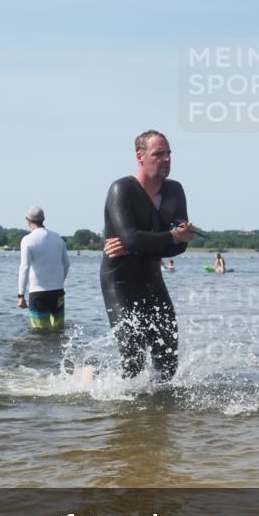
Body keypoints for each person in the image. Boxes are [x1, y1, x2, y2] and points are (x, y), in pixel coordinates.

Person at [101, 129, 195, 380]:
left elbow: (179, 247)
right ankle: (91, 375)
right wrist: (170, 236)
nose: (166, 159)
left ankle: (158, 403)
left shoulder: (175, 191)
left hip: (153, 282)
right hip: (120, 283)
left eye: (169, 154)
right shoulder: (121, 189)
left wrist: (149, 242)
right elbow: (132, 238)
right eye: (158, 154)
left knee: (168, 361)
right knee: (133, 362)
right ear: (140, 157)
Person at [16, 206, 70, 330]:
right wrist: (59, 282)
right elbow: (67, 264)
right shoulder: (58, 238)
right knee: (58, 329)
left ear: (27, 220)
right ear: (43, 219)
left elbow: (24, 268)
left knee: (39, 331)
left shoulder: (27, 240)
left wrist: (20, 295)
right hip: (58, 292)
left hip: (38, 294)